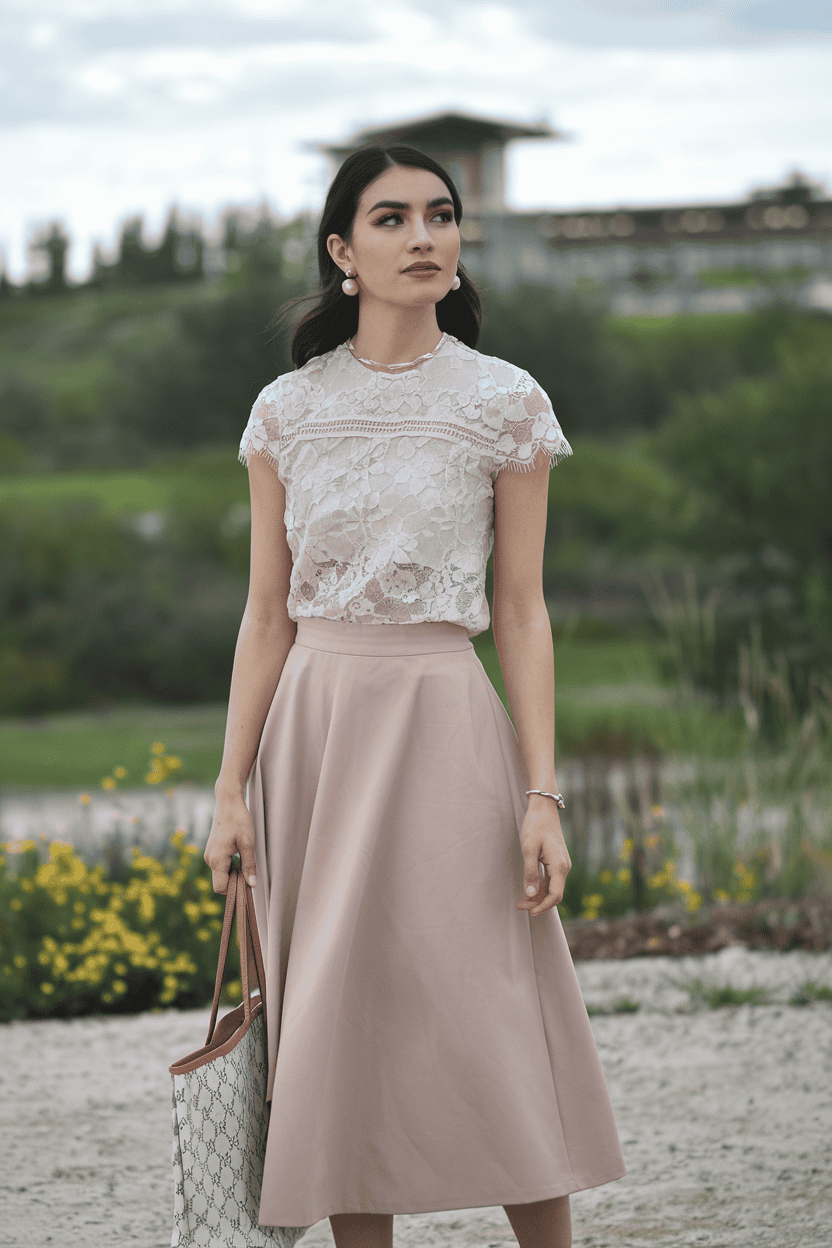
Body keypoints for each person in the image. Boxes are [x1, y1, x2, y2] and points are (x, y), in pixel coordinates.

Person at [203, 144, 626, 1248]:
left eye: (440, 215)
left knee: (484, 1002)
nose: (426, 236)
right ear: (343, 252)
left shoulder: (504, 402)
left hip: (445, 716)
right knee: (337, 1019)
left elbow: (523, 612)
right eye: (391, 220)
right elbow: (264, 614)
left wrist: (544, 795)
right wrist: (228, 791)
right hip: (314, 730)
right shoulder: (285, 411)